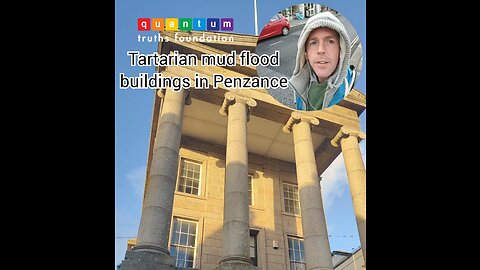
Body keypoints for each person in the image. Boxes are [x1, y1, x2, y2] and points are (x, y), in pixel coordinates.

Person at [286, 11, 356, 111]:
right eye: (313, 43)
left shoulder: (354, 90)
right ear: (306, 54)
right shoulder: (300, 86)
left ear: (341, 51)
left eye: (330, 41)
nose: (321, 50)